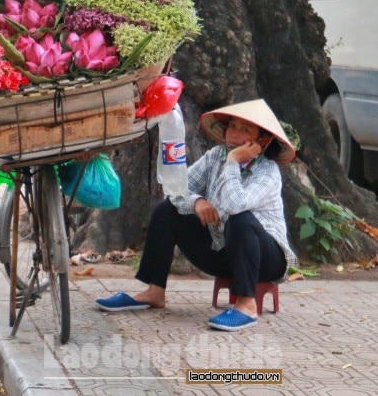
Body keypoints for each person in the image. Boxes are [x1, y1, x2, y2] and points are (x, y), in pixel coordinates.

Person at [95, 99, 298, 331]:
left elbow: (235, 205)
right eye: (232, 126)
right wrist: (197, 201)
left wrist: (232, 162)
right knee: (166, 210)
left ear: (262, 140)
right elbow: (176, 189)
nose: (234, 134)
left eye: (245, 130)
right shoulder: (215, 157)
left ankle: (246, 305)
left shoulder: (268, 171)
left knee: (240, 219)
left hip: (267, 259)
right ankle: (154, 292)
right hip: (224, 252)